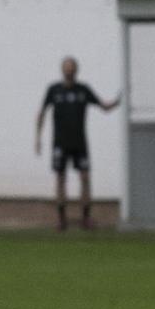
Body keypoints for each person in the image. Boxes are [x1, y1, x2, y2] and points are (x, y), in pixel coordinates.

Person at [34, 56, 117, 232]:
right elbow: (42, 113)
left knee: (85, 178)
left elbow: (104, 106)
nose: (69, 70)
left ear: (76, 70)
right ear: (62, 70)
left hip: (79, 143)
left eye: (72, 67)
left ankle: (85, 217)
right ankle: (61, 219)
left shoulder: (83, 90)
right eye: (66, 67)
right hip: (60, 143)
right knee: (60, 179)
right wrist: (38, 138)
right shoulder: (54, 90)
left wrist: (117, 102)